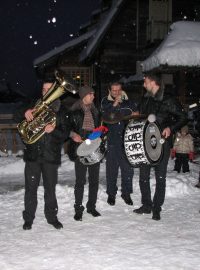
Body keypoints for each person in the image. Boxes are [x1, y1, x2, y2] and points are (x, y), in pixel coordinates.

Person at [14, 79, 70, 230]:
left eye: (49, 89)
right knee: (30, 189)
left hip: (51, 156)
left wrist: (54, 131)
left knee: (50, 189)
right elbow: (16, 116)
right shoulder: (33, 105)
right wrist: (25, 112)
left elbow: (65, 133)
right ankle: (28, 219)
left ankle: (52, 217)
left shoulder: (61, 110)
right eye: (44, 89)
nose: (46, 92)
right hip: (33, 156)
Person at [133, 73, 187, 221]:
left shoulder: (168, 99)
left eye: (145, 82)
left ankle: (157, 208)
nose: (143, 85)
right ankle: (146, 205)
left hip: (162, 142)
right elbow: (142, 115)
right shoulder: (146, 98)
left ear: (153, 83)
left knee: (160, 177)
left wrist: (171, 127)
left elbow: (183, 117)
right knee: (143, 176)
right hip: (146, 142)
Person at [101, 82, 138, 206]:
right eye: (114, 90)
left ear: (122, 90)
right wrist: (115, 103)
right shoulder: (105, 102)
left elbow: (137, 117)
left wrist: (135, 115)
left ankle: (126, 194)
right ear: (109, 90)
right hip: (112, 140)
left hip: (126, 140)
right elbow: (107, 115)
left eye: (118, 90)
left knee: (128, 170)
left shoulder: (129, 103)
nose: (116, 93)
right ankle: (111, 194)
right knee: (111, 170)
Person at [68, 86, 101, 221]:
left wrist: (100, 133)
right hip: (79, 148)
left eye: (93, 94)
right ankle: (78, 209)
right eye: (91, 94)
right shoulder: (74, 111)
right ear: (84, 96)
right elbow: (65, 127)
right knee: (80, 181)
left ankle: (91, 207)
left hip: (93, 147)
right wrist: (72, 134)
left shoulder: (95, 111)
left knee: (94, 180)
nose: (93, 96)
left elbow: (98, 128)